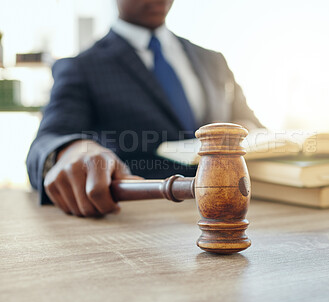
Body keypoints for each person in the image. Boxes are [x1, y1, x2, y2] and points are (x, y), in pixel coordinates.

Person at [26, 0, 263, 218]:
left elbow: (248, 121)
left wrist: (250, 135)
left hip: (232, 212)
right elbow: (48, 140)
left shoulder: (214, 60)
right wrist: (70, 150)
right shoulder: (81, 67)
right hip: (142, 219)